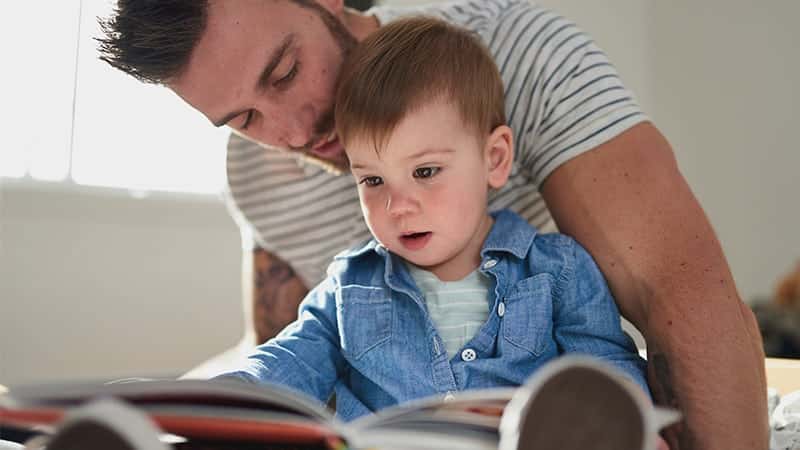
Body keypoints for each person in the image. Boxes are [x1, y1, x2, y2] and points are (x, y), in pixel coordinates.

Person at [97, 0, 767, 448]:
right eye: (243, 120)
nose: (293, 131)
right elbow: (282, 356)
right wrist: (161, 407)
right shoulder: (257, 181)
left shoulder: (513, 55)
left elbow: (683, 300)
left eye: (285, 72)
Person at [217, 15, 650, 422]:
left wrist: (637, 428)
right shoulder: (349, 286)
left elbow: (607, 371)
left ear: (493, 158)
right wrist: (224, 397)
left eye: (425, 172)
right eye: (372, 180)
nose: (397, 206)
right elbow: (289, 361)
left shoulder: (558, 270)